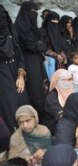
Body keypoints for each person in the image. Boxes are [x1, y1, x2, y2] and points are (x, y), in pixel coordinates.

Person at [0, 5, 29, 152]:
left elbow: (19, 57)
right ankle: (15, 146)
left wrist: (20, 76)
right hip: (2, 76)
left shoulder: (11, 35)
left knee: (22, 104)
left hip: (16, 73)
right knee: (9, 109)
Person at [15, 1, 48, 117]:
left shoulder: (35, 30)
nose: (34, 14)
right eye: (31, 11)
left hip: (37, 61)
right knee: (32, 92)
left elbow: (43, 45)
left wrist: (38, 45)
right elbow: (29, 45)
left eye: (35, 12)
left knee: (39, 90)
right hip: (26, 62)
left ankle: (39, 117)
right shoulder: (18, 28)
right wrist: (37, 45)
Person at [42, 69, 74, 135]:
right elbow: (59, 115)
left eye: (71, 79)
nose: (70, 82)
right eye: (67, 80)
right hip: (54, 125)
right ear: (59, 81)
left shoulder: (72, 91)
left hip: (70, 122)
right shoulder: (51, 96)